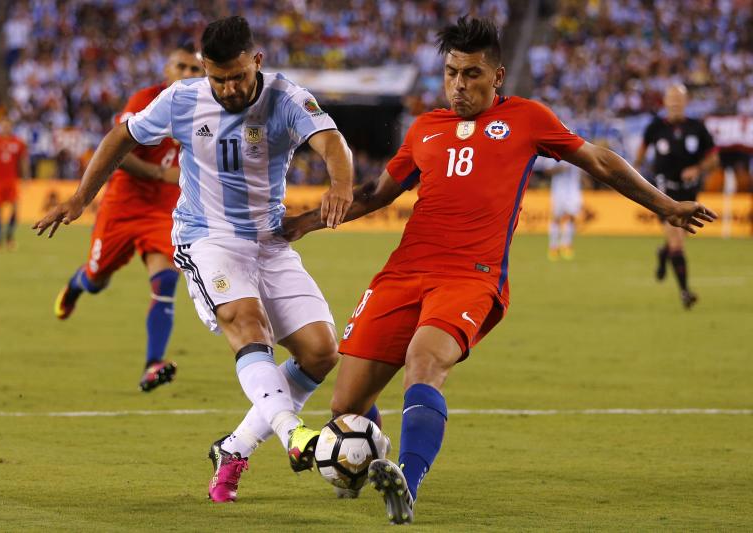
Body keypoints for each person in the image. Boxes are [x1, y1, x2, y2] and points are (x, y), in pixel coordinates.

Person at [281, 17, 717, 525]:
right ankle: (364, 458)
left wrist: (666, 206)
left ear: (497, 76)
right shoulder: (425, 128)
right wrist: (304, 223)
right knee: (345, 406)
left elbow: (599, 161)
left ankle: (407, 481)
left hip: (471, 276)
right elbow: (376, 194)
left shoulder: (527, 118)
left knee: (425, 362)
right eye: (451, 73)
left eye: (471, 74)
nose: (458, 85)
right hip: (403, 273)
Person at [33, 16, 354, 503]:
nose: (228, 89)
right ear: (205, 69)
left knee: (321, 353)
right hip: (207, 238)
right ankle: (293, 433)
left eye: (238, 77)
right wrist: (80, 198)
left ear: (257, 61)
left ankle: (234, 447)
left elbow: (331, 141)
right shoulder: (182, 98)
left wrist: (341, 185)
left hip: (269, 240)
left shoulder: (286, 97)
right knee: (248, 323)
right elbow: (122, 136)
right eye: (218, 78)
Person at [52, 44, 203, 392]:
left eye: (195, 70)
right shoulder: (146, 100)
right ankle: (77, 285)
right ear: (167, 70)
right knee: (96, 279)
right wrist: (158, 173)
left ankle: (153, 364)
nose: (188, 74)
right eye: (181, 67)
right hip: (122, 205)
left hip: (165, 209)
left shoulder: (209, 106)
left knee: (166, 280)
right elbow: (118, 149)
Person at [634, 84, 719, 309]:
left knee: (679, 238)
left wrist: (698, 169)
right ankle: (685, 292)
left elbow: (714, 159)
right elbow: (639, 157)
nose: (674, 103)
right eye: (671, 99)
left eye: (678, 99)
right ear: (665, 102)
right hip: (664, 192)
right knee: (677, 240)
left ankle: (663, 255)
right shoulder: (655, 127)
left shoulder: (697, 127)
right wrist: (634, 180)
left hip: (689, 193)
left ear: (686, 102)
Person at [0, 117, 29, 250]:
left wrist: (25, 177)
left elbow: (23, 161)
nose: (5, 128)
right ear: (0, 127)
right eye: (3, 125)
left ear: (11, 127)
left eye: (8, 125)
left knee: (15, 209)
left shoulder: (18, 143)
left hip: (12, 181)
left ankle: (9, 237)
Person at [535, 157, 583, 260]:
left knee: (571, 217)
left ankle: (567, 245)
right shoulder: (555, 155)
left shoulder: (577, 153)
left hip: (573, 190)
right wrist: (560, 168)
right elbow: (547, 170)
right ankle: (553, 247)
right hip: (558, 190)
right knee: (556, 217)